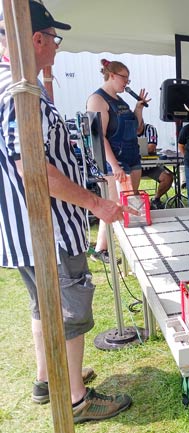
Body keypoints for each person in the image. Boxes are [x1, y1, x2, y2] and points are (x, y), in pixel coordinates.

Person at [0, 1, 132, 422]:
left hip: (28, 229)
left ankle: (49, 378)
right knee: (71, 309)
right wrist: (97, 204)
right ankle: (75, 398)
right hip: (50, 229)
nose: (57, 47)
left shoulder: (19, 84)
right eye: (55, 39)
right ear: (36, 39)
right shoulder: (18, 92)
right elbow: (34, 169)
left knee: (44, 305)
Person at [86, 58, 150, 263]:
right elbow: (99, 136)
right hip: (116, 161)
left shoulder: (121, 101)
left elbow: (137, 129)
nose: (126, 83)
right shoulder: (98, 99)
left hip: (132, 157)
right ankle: (103, 250)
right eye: (124, 78)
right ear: (111, 75)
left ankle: (120, 248)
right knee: (114, 205)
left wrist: (138, 108)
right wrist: (114, 165)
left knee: (129, 204)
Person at [140, 123, 173, 209]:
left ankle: (156, 199)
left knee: (168, 177)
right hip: (134, 167)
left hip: (152, 166)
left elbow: (151, 147)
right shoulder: (126, 130)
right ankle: (136, 203)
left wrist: (132, 149)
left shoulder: (150, 129)